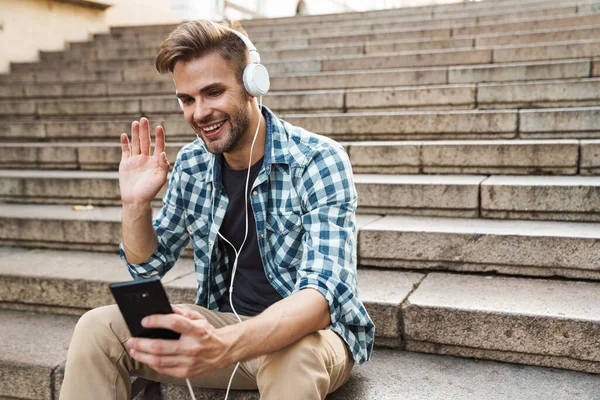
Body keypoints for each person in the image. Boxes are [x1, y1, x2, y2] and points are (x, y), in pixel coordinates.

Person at [59, 20, 374, 400]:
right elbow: (147, 265)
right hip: (224, 327)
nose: (200, 112)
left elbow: (322, 298)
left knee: (291, 357)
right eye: (187, 99)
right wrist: (135, 205)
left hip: (309, 337)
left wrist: (221, 343)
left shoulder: (317, 160)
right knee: (98, 327)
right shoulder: (193, 163)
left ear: (253, 84)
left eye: (213, 92)